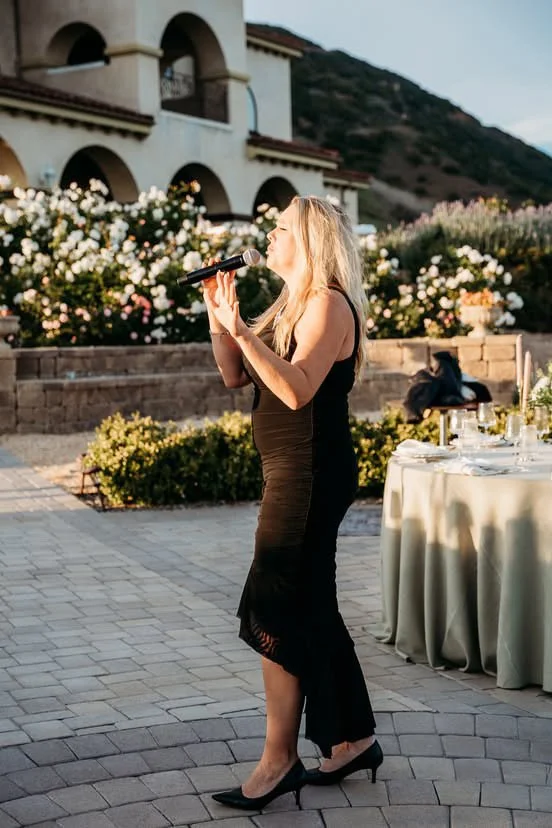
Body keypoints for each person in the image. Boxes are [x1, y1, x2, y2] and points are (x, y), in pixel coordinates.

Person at [202, 195, 382, 811]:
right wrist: (220, 319)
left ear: (309, 240)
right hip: (290, 469)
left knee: (273, 604)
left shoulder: (328, 303)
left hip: (310, 473)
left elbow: (298, 390)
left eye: (281, 228)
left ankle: (279, 761)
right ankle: (353, 740)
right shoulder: (291, 303)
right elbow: (236, 376)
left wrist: (242, 330)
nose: (270, 236)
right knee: (311, 605)